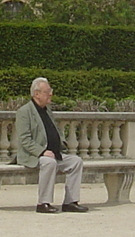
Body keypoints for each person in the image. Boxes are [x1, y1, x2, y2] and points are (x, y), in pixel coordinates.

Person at [15, 77, 88, 213]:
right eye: (47, 91)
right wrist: (42, 151)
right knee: (49, 162)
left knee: (76, 161)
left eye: (50, 91)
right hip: (34, 156)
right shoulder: (24, 112)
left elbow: (55, 130)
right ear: (36, 94)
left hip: (54, 153)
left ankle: (70, 202)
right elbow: (25, 140)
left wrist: (61, 143)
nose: (50, 94)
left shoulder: (47, 110)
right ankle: (43, 203)